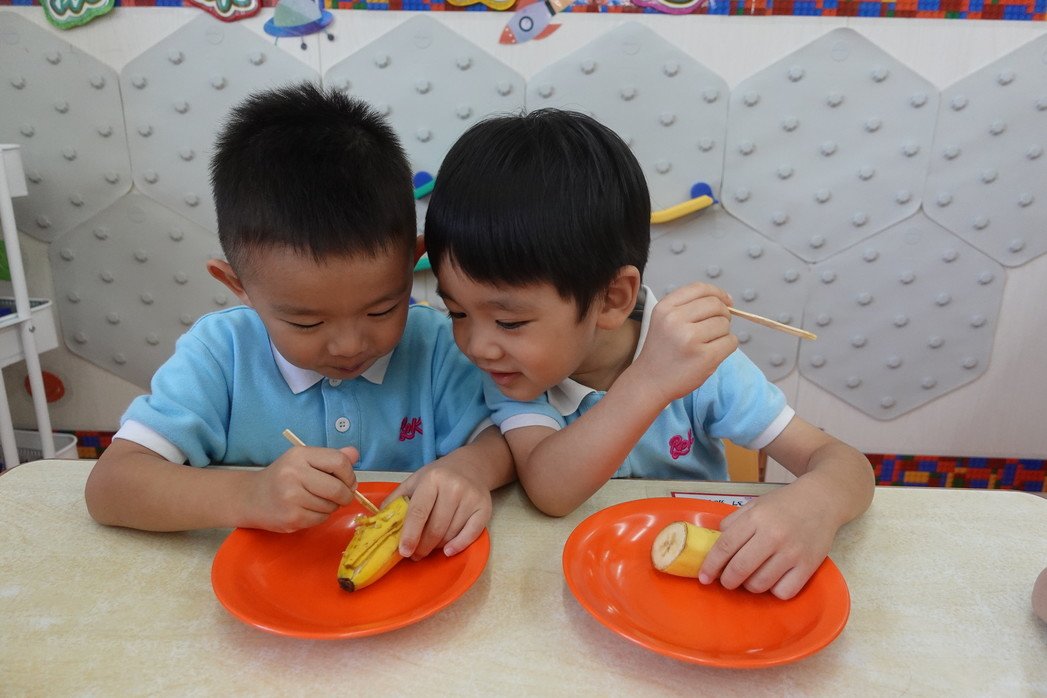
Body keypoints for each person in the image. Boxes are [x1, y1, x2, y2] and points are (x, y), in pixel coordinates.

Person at [423, 109, 874, 599]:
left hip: (707, 584)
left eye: (509, 322)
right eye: (457, 312)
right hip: (579, 589)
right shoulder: (516, 374)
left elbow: (843, 463)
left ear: (612, 299)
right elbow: (551, 489)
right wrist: (649, 383)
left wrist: (816, 504)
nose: (476, 346)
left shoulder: (693, 360)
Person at [85, 83, 513, 560]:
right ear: (238, 286)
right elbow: (110, 486)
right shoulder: (221, 354)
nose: (349, 345)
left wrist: (471, 469)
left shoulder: (435, 346)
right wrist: (249, 495)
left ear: (411, 265)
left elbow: (509, 439)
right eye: (307, 323)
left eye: (381, 310)